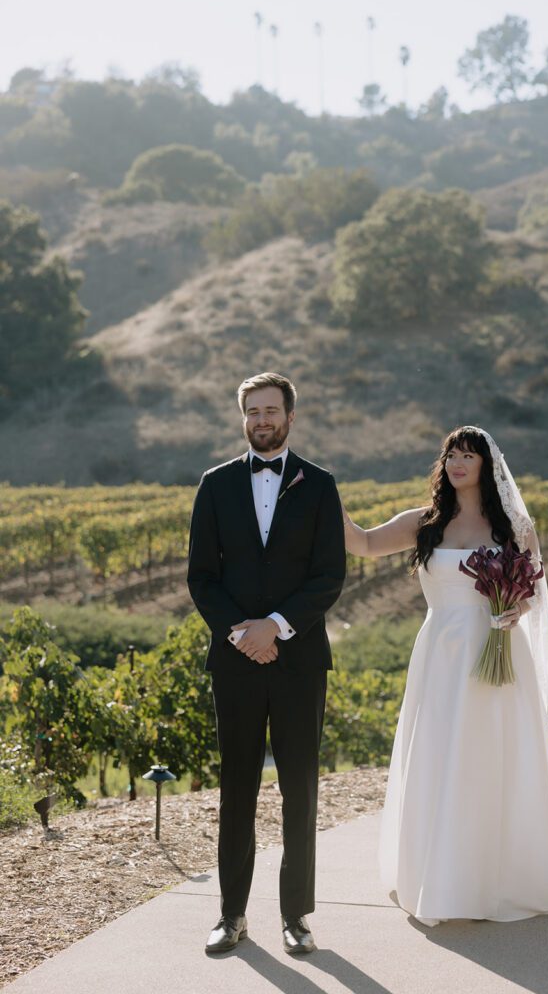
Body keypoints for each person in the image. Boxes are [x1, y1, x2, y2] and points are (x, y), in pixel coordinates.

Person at [343, 425, 548, 924]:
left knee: (494, 757)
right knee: (441, 753)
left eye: (468, 456)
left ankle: (500, 876)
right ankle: (443, 874)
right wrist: (328, 500)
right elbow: (365, 543)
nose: (457, 463)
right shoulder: (424, 521)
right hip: (440, 656)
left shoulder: (515, 527)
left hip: (498, 651)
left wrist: (512, 611)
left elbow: (534, 595)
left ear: (487, 466)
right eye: (451, 455)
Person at [187, 372, 346, 954]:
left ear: (290, 416)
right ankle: (231, 915)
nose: (261, 420)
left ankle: (295, 916)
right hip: (236, 662)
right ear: (243, 418)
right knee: (237, 790)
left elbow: (329, 574)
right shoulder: (214, 485)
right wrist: (243, 633)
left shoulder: (320, 485)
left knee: (299, 790)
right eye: (252, 411)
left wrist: (275, 627)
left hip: (300, 661)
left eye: (271, 410)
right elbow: (201, 576)